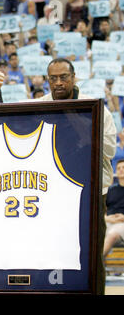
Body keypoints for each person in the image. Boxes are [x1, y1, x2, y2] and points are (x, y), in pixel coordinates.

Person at [37, 58, 116, 295]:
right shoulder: (36, 105)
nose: (59, 83)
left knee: (90, 253)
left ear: (74, 77)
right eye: (53, 78)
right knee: (48, 249)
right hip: (48, 191)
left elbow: (110, 150)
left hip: (90, 193)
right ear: (47, 80)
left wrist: (75, 117)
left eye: (64, 77)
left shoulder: (95, 108)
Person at [104, 159, 124, 257]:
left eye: (123, 168)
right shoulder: (111, 190)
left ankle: (94, 263)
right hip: (108, 221)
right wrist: (107, 218)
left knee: (112, 235)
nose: (121, 170)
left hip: (122, 224)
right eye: (118, 168)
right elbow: (102, 209)